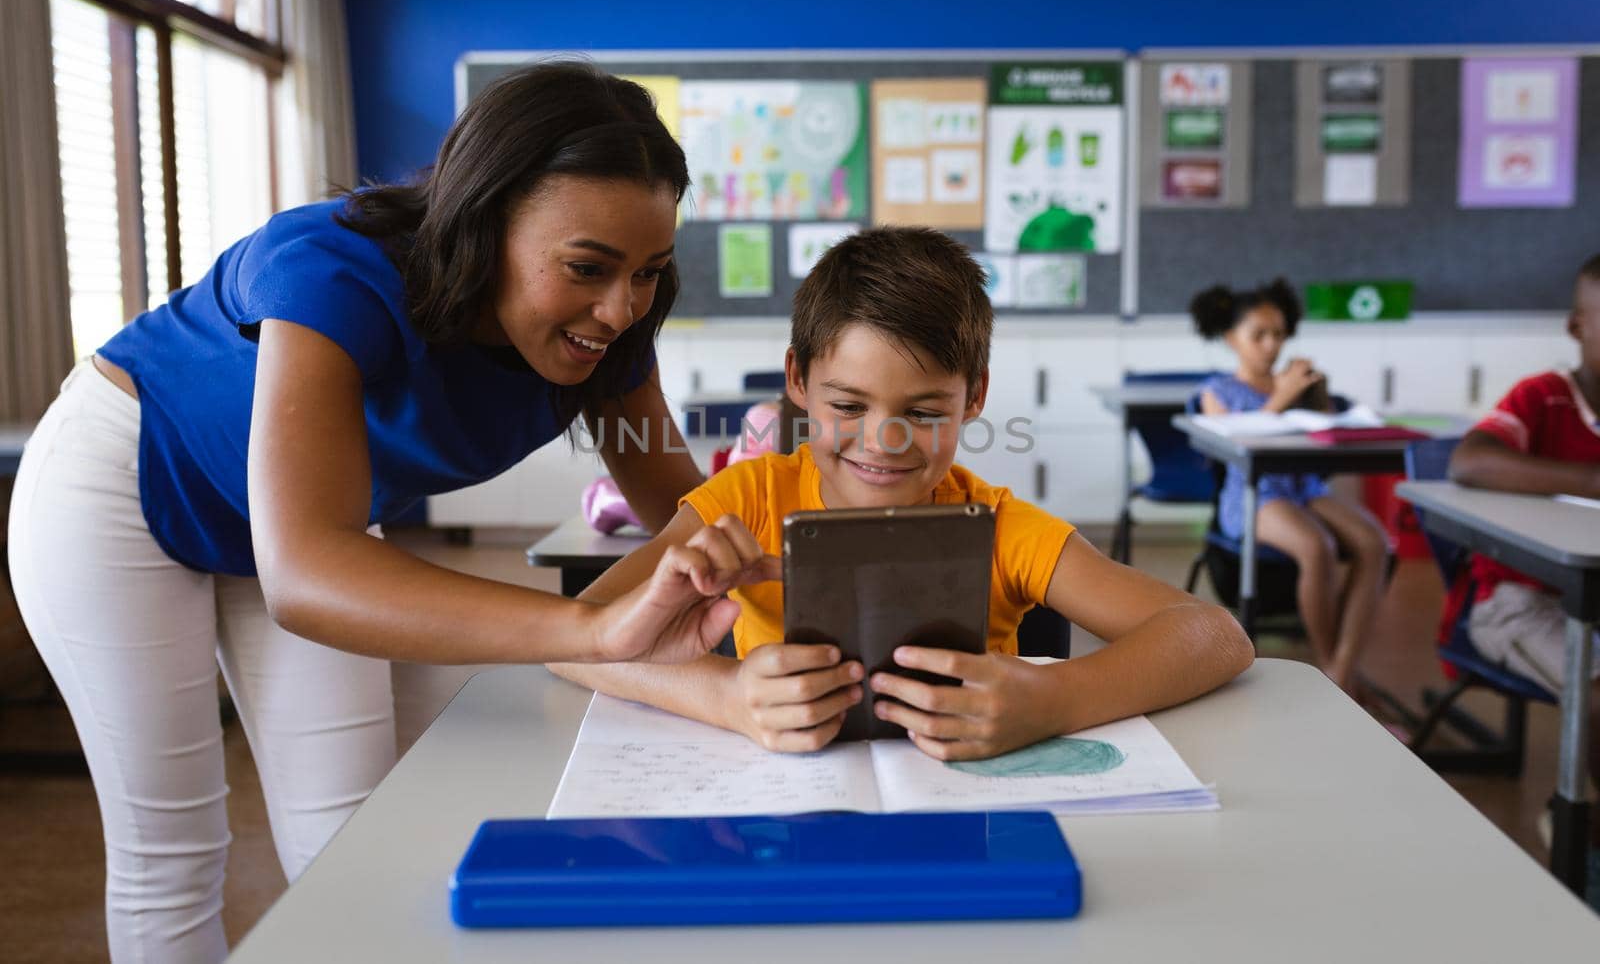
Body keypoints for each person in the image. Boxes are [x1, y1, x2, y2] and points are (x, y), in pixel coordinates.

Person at [7, 61, 766, 963]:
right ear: (485, 222)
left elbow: (680, 511)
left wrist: (775, 572)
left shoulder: (610, 330)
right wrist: (592, 632)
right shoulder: (334, 269)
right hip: (124, 483)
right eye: (588, 269)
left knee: (349, 830)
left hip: (305, 522)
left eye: (648, 271)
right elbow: (307, 575)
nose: (619, 308)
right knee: (173, 846)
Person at [553, 227, 1253, 760]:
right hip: (789, 813)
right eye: (849, 406)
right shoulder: (750, 498)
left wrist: (1055, 699)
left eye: (922, 412)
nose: (883, 441)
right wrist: (726, 697)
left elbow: (1216, 636)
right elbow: (571, 633)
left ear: (974, 395)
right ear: (797, 379)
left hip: (969, 815)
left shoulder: (1001, 525)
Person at [1448, 252, 1600, 886]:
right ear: (1576, 327)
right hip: (1517, 602)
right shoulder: (1543, 398)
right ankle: (1580, 825)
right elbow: (1469, 464)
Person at [1190, 279, 1390, 695]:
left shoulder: (1294, 383)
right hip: (1254, 495)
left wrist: (1315, 395)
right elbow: (1233, 441)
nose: (1271, 345)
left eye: (1279, 334)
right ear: (1232, 339)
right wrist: (1280, 399)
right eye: (1258, 335)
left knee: (1375, 543)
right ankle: (1330, 667)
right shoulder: (1217, 391)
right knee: (1317, 546)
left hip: (1305, 487)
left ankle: (1341, 671)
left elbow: (1326, 431)